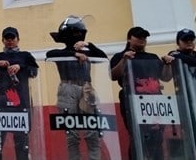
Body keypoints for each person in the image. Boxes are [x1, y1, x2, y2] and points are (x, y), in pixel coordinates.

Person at [45, 16, 107, 160]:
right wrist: (74, 53)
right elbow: (51, 54)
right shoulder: (61, 53)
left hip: (87, 88)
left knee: (93, 130)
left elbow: (103, 57)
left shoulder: (88, 52)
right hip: (68, 87)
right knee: (71, 132)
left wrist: (88, 45)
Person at [110, 26, 172, 159]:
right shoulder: (120, 56)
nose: (142, 39)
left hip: (155, 102)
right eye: (138, 37)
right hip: (132, 101)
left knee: (157, 139)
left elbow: (165, 77)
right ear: (129, 39)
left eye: (144, 37)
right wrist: (124, 60)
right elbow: (113, 75)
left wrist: (167, 64)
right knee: (137, 137)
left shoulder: (152, 57)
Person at [0, 27, 39, 160]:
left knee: (21, 138)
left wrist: (20, 66)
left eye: (12, 38)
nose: (9, 41)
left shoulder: (26, 56)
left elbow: (34, 72)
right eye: (6, 38)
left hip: (21, 100)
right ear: (2, 40)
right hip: (1, 100)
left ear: (18, 39)